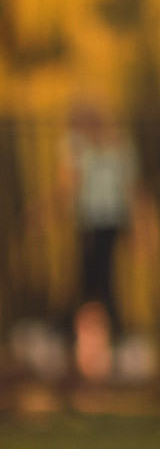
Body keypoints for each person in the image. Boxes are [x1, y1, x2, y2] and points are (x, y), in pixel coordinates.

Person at [64, 102, 139, 376]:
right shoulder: (81, 146)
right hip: (90, 222)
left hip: (105, 222)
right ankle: (90, 340)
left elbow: (129, 188)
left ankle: (116, 338)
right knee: (90, 280)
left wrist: (137, 227)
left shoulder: (118, 146)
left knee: (101, 281)